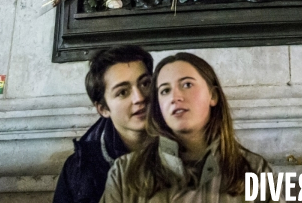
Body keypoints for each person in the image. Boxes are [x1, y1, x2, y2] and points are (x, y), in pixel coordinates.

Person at [103, 53, 282, 203]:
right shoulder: (124, 173)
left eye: (187, 84)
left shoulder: (255, 170)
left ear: (213, 95)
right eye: (165, 90)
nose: (175, 96)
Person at [53, 45, 153, 203]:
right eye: (123, 92)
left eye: (145, 84)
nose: (139, 97)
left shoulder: (187, 145)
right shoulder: (81, 168)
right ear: (104, 108)